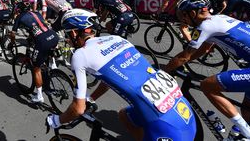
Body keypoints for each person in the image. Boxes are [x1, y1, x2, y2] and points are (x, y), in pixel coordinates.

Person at [46, 9, 196, 141]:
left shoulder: (80, 54)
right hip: (184, 110)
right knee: (124, 116)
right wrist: (91, 98)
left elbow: (77, 109)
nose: (68, 40)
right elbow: (109, 79)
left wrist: (57, 120)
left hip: (165, 127)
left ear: (73, 32)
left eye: (67, 34)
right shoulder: (117, 39)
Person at [164, 0, 250, 141]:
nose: (183, 20)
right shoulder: (219, 19)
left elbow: (184, 56)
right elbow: (204, 49)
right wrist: (183, 62)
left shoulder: (204, 26)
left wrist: (164, 72)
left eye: (183, 15)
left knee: (207, 85)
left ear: (193, 13)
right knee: (248, 113)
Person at [10, 0, 59, 103]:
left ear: (19, 9)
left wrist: (12, 43)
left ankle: (39, 96)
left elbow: (13, 34)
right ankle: (51, 67)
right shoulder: (36, 13)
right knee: (45, 58)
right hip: (53, 36)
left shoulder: (19, 17)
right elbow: (38, 26)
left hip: (42, 41)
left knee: (36, 68)